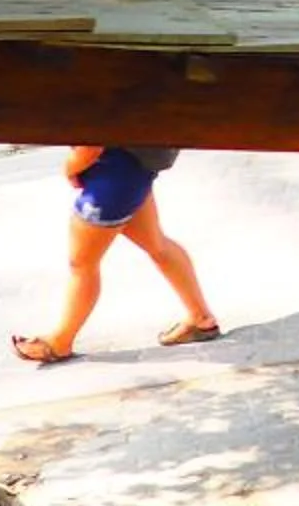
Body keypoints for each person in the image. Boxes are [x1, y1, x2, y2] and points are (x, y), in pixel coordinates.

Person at [11, 145, 222, 365]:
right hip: (132, 169)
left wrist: (71, 167)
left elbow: (90, 147)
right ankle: (201, 319)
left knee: (82, 264)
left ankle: (60, 341)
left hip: (111, 176)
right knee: (157, 244)